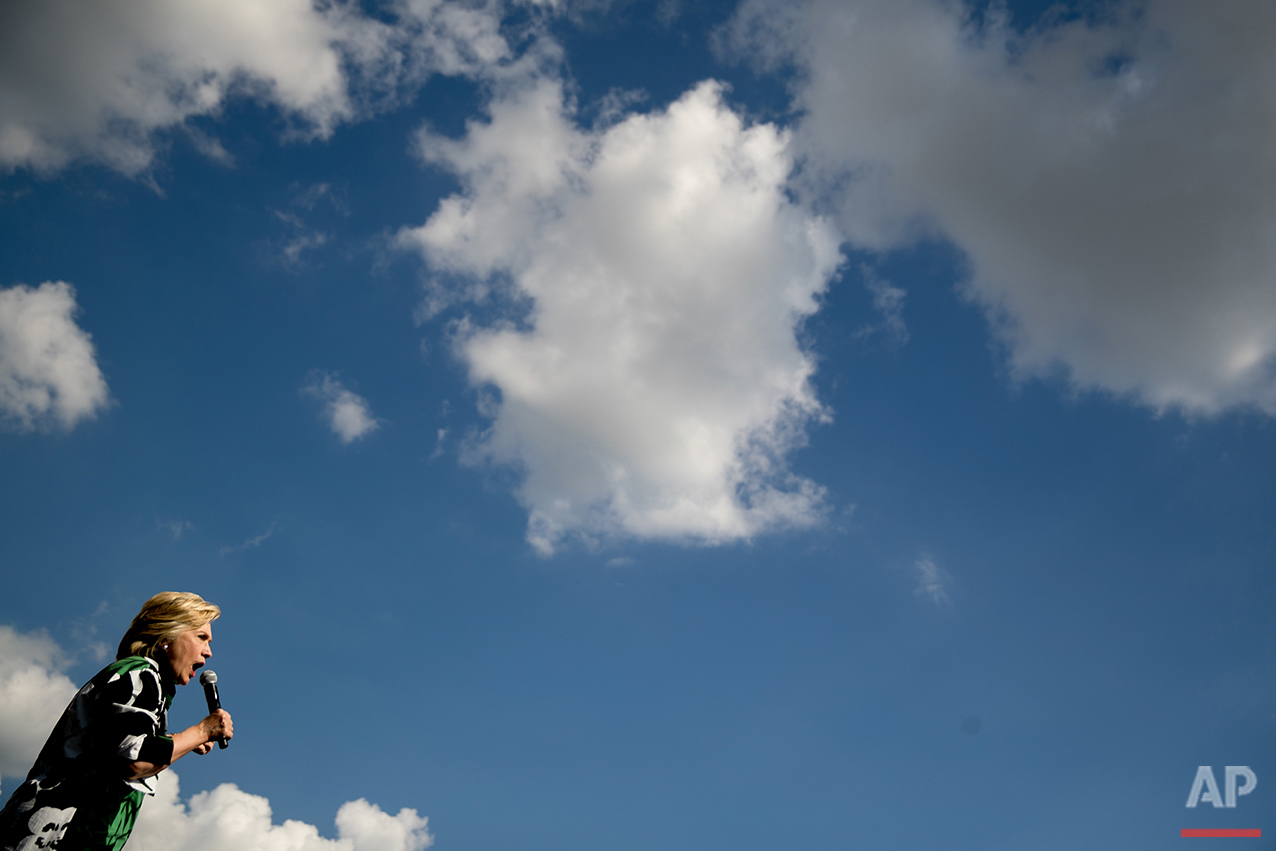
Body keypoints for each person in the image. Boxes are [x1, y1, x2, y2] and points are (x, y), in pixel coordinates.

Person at [0, 592, 234, 851]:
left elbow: (121, 755)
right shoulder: (140, 673)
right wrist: (201, 731)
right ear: (167, 635)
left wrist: (182, 742)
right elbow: (135, 761)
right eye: (201, 637)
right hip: (53, 836)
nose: (209, 651)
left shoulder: (144, 682)